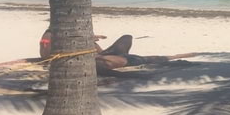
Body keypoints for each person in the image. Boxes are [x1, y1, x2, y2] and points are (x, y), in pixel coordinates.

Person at [39, 28, 196, 73]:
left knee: (127, 37)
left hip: (102, 55)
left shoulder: (66, 32)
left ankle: (176, 57)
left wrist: (91, 38)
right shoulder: (49, 36)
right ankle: (175, 57)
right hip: (101, 60)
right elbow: (46, 53)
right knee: (144, 59)